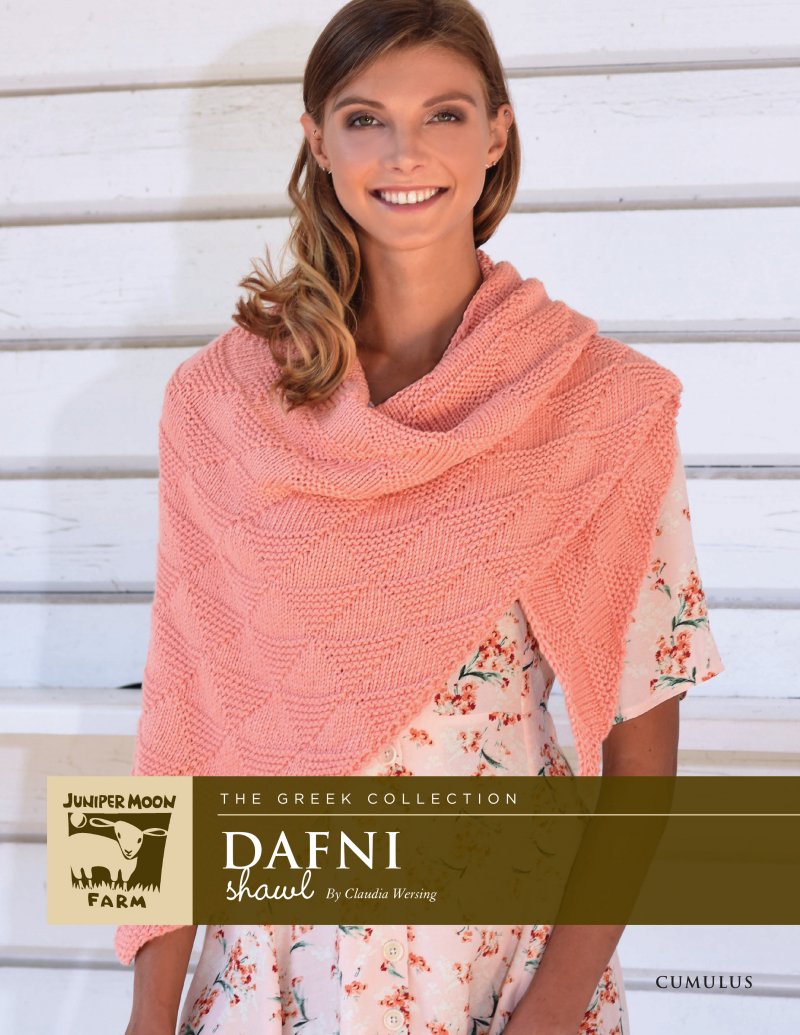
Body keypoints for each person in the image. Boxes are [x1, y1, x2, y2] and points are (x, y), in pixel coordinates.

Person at [118, 1, 725, 1033]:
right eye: (365, 118)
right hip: (272, 974)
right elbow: (174, 730)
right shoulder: (219, 403)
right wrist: (143, 1016)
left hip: (499, 966)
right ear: (317, 140)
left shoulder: (597, 407)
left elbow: (642, 764)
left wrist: (552, 1010)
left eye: (444, 114)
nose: (404, 152)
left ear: (496, 134)